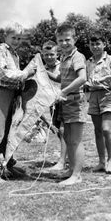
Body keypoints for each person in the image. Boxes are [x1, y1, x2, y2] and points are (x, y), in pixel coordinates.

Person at [0, 24, 37, 184]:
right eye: (14, 37)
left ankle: (7, 164)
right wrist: (25, 73)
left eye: (19, 38)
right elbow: (4, 74)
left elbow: (14, 75)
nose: (17, 41)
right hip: (1, 95)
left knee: (10, 132)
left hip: (13, 94)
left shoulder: (14, 54)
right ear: (5, 36)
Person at [47, 24, 87, 186]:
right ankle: (71, 171)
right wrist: (44, 72)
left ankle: (77, 175)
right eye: (60, 40)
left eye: (67, 39)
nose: (64, 43)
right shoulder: (64, 57)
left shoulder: (77, 56)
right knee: (69, 139)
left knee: (76, 140)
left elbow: (82, 78)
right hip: (65, 103)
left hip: (75, 101)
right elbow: (61, 79)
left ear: (74, 39)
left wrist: (63, 92)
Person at [86, 33, 111, 174]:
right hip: (93, 96)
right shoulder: (88, 62)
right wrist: (88, 83)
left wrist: (107, 77)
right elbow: (84, 80)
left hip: (108, 95)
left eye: (98, 44)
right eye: (92, 44)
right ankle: (101, 162)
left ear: (104, 44)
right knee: (97, 130)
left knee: (106, 129)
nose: (95, 47)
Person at [40, 40, 68, 171]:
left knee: (63, 131)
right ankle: (67, 157)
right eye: (46, 55)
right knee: (58, 132)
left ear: (57, 54)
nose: (49, 57)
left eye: (52, 54)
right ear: (42, 55)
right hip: (52, 105)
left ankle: (62, 161)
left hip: (65, 101)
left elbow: (61, 79)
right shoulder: (41, 70)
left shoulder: (62, 65)